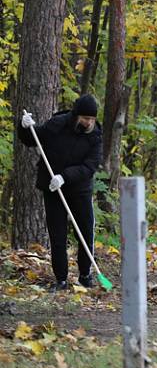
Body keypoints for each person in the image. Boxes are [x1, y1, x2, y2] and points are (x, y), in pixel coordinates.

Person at [18, 95, 103, 291]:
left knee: (85, 232)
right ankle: (61, 279)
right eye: (85, 118)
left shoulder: (95, 135)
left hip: (80, 189)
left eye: (91, 119)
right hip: (53, 189)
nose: (89, 122)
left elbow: (90, 167)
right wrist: (24, 126)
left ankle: (85, 275)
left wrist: (65, 176)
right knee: (58, 234)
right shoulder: (57, 125)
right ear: (76, 115)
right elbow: (33, 139)